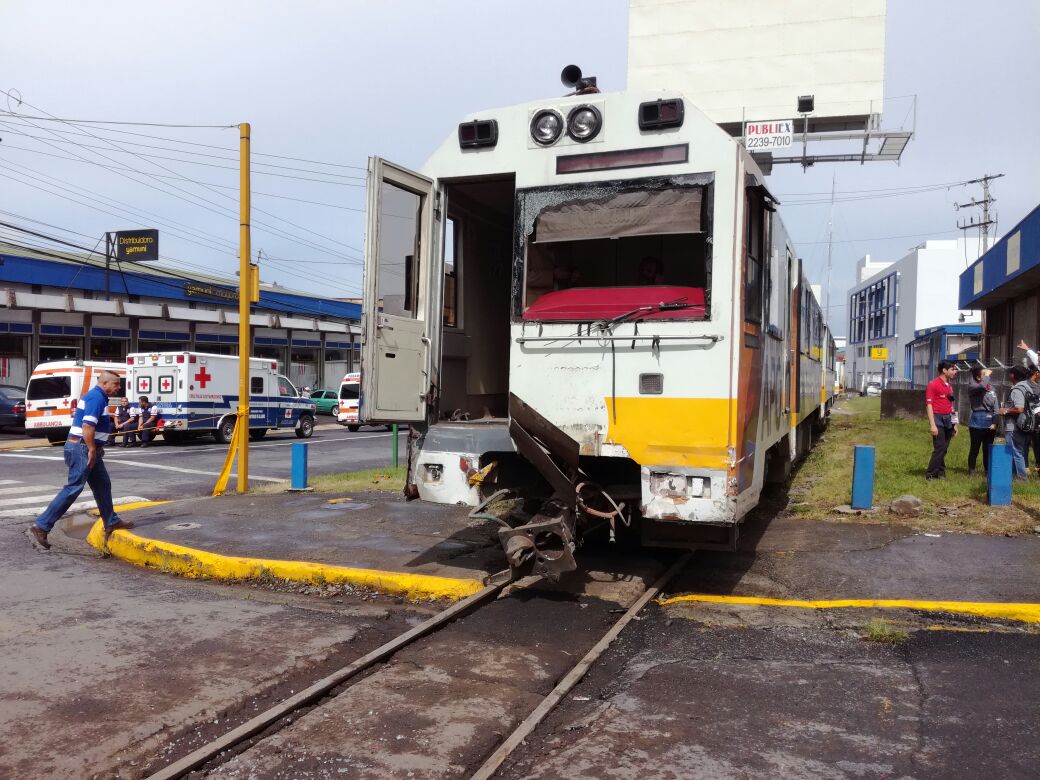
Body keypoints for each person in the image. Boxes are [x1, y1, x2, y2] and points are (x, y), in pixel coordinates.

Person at [27, 370, 134, 550]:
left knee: (102, 484)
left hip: (87, 448)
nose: (119, 387)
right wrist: (92, 448)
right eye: (116, 384)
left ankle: (111, 521)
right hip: (82, 448)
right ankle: (42, 525)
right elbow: (87, 425)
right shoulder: (96, 398)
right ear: (105, 383)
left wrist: (97, 447)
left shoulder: (98, 397)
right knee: (74, 486)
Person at [1003, 362, 1040, 480]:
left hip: (1015, 426)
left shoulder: (1017, 389)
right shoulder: (1028, 387)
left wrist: (1005, 410)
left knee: (1016, 452)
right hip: (1025, 424)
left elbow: (1019, 408)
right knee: (1018, 451)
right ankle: (1014, 477)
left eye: (1010, 374)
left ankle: (1022, 479)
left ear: (1013, 375)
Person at [925, 360, 958, 479]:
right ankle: (931, 473)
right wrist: (932, 425)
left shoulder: (949, 386)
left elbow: (952, 406)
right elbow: (929, 405)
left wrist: (955, 424)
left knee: (944, 448)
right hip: (937, 418)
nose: (955, 371)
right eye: (952, 369)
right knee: (940, 447)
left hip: (948, 419)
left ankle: (941, 471)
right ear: (944, 370)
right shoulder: (933, 384)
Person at [966, 366, 998, 475]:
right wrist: (987, 375)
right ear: (978, 377)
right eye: (984, 374)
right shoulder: (973, 387)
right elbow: (982, 385)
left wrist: (995, 421)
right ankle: (972, 470)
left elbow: (996, 406)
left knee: (987, 449)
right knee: (975, 448)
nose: (987, 376)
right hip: (977, 422)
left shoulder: (991, 388)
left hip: (990, 422)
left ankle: (987, 470)